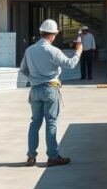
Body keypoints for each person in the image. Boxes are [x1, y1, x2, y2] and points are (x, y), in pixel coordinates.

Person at [20, 19, 81, 167]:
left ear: (41, 33)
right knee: (51, 123)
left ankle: (31, 156)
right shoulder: (53, 51)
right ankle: (53, 156)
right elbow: (70, 64)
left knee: (34, 123)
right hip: (49, 89)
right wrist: (78, 51)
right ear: (53, 35)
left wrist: (34, 79)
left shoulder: (29, 50)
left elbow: (23, 69)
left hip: (35, 90)